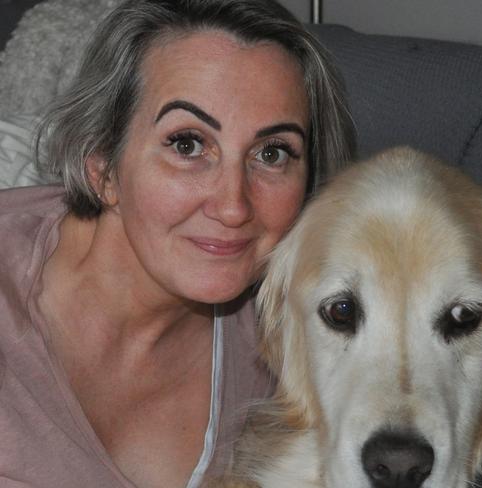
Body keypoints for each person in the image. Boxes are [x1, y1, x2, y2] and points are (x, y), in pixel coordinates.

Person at [0, 0, 356, 487]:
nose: (233, 206)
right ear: (102, 164)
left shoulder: (298, 336)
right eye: (187, 145)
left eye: (272, 153)